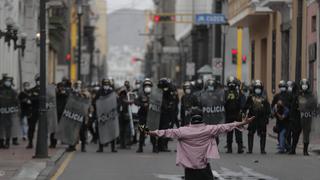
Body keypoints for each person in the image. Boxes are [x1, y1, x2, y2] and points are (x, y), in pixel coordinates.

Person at [147, 107, 255, 180]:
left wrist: (148, 131)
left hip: (189, 170)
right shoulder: (209, 129)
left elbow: (164, 133)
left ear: (190, 119)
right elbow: (227, 126)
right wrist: (243, 122)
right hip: (204, 168)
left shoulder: (182, 131)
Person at [244, 80, 271, 154]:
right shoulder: (250, 97)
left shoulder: (264, 98)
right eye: (256, 88)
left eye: (259, 88)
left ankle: (262, 149)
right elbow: (245, 106)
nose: (257, 89)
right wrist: (244, 113)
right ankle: (250, 149)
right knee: (250, 133)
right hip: (252, 118)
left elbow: (268, 108)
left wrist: (268, 116)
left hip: (262, 119)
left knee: (263, 133)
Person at [95, 78, 117, 153]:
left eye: (107, 84)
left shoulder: (112, 92)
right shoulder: (99, 92)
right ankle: (100, 147)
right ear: (102, 85)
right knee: (101, 131)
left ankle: (113, 148)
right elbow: (95, 101)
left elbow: (115, 102)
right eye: (105, 84)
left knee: (112, 131)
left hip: (110, 114)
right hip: (102, 114)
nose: (106, 86)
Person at [157, 78, 179, 152]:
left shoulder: (171, 91)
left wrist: (174, 112)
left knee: (167, 129)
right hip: (161, 113)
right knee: (161, 129)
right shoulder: (158, 92)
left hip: (169, 113)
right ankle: (160, 145)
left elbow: (175, 101)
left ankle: (164, 145)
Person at [298, 79, 317, 156]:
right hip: (298, 116)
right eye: (303, 85)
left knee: (306, 133)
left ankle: (305, 150)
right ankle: (291, 148)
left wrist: (305, 104)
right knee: (295, 131)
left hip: (307, 116)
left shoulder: (311, 95)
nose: (304, 86)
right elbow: (299, 104)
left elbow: (312, 103)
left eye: (306, 85)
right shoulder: (298, 94)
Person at [224, 76, 244, 154]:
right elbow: (223, 103)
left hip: (237, 115)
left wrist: (242, 110)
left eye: (233, 84)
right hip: (229, 115)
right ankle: (229, 148)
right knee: (229, 133)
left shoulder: (238, 93)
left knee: (238, 132)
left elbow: (242, 102)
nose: (231, 85)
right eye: (230, 84)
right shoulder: (225, 93)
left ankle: (239, 148)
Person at [0, 76, 19, 149]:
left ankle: (7, 142)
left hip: (9, 112)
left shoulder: (13, 92)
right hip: (1, 112)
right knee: (1, 128)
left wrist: (16, 109)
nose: (8, 82)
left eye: (9, 81)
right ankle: (1, 142)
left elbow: (16, 102)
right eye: (6, 81)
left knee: (8, 128)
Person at [135, 78, 153, 153]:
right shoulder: (141, 95)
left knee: (152, 132)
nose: (147, 87)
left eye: (148, 86)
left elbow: (159, 103)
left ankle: (155, 147)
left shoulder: (154, 96)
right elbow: (136, 102)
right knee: (142, 132)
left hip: (152, 117)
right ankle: (140, 147)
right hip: (143, 116)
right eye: (146, 86)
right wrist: (143, 104)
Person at [26, 74, 41, 149]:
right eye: (38, 80)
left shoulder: (46, 90)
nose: (39, 82)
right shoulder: (32, 90)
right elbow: (29, 100)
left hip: (42, 111)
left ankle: (45, 144)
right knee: (31, 127)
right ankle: (30, 142)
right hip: (34, 110)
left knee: (44, 128)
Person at [286, 81, 301, 154]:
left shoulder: (297, 96)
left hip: (296, 118)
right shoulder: (288, 95)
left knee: (295, 134)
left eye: (291, 87)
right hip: (289, 117)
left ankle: (293, 148)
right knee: (288, 134)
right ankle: (290, 148)